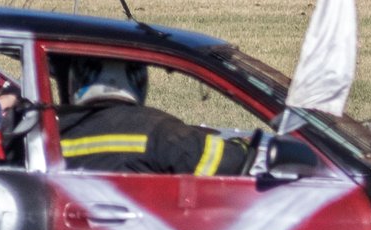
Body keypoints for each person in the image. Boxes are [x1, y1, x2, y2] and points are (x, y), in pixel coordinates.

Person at [53, 56, 252, 176]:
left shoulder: (55, 131)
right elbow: (227, 161)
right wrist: (245, 144)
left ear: (77, 80)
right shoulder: (159, 132)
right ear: (137, 81)